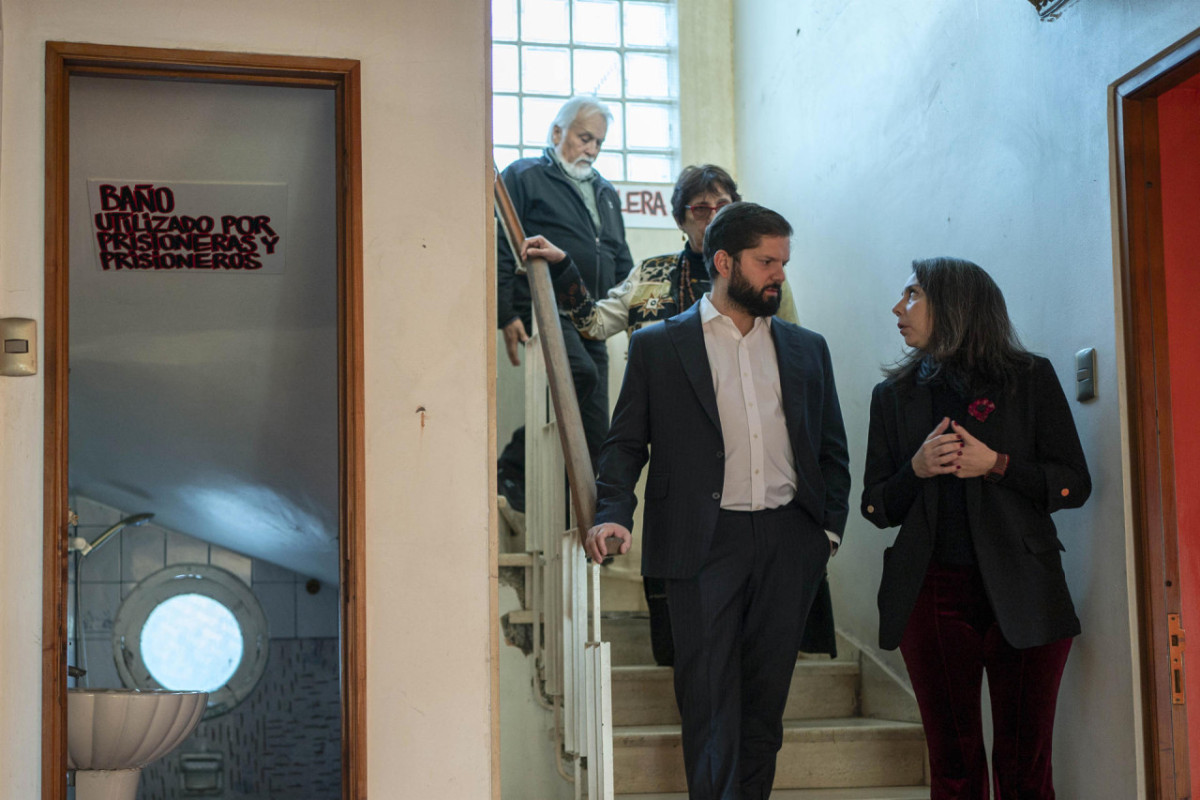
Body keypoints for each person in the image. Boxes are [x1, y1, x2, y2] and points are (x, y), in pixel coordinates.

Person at [567, 202, 851, 800]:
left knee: (763, 712)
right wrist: (614, 513)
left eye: (783, 263)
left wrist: (824, 533)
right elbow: (623, 444)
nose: (778, 275)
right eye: (766, 261)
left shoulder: (808, 349)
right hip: (701, 545)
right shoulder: (656, 347)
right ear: (724, 261)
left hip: (787, 543)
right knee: (708, 707)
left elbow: (831, 450)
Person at [541, 164, 803, 668]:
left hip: (757, 471)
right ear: (681, 218)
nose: (711, 216)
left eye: (722, 205)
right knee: (692, 647)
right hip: (680, 470)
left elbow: (790, 365)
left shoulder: (766, 278)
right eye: (699, 209)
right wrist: (562, 266)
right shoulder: (653, 273)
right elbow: (594, 323)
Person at [861, 258, 1091, 799]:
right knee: (955, 764)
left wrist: (998, 464)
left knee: (1025, 766)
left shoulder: (1029, 378)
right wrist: (915, 470)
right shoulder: (892, 397)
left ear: (956, 303)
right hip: (930, 592)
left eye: (913, 294)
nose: (898, 308)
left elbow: (1074, 485)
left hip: (1026, 589)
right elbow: (876, 507)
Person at [496, 95, 634, 515]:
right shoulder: (525, 175)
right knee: (577, 374)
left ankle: (584, 523)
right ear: (557, 133)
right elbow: (504, 242)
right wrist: (507, 313)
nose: (592, 150)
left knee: (596, 429)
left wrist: (633, 315)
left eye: (599, 143)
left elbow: (619, 255)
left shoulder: (605, 191)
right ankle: (513, 465)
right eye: (584, 137)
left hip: (595, 314)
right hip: (549, 305)